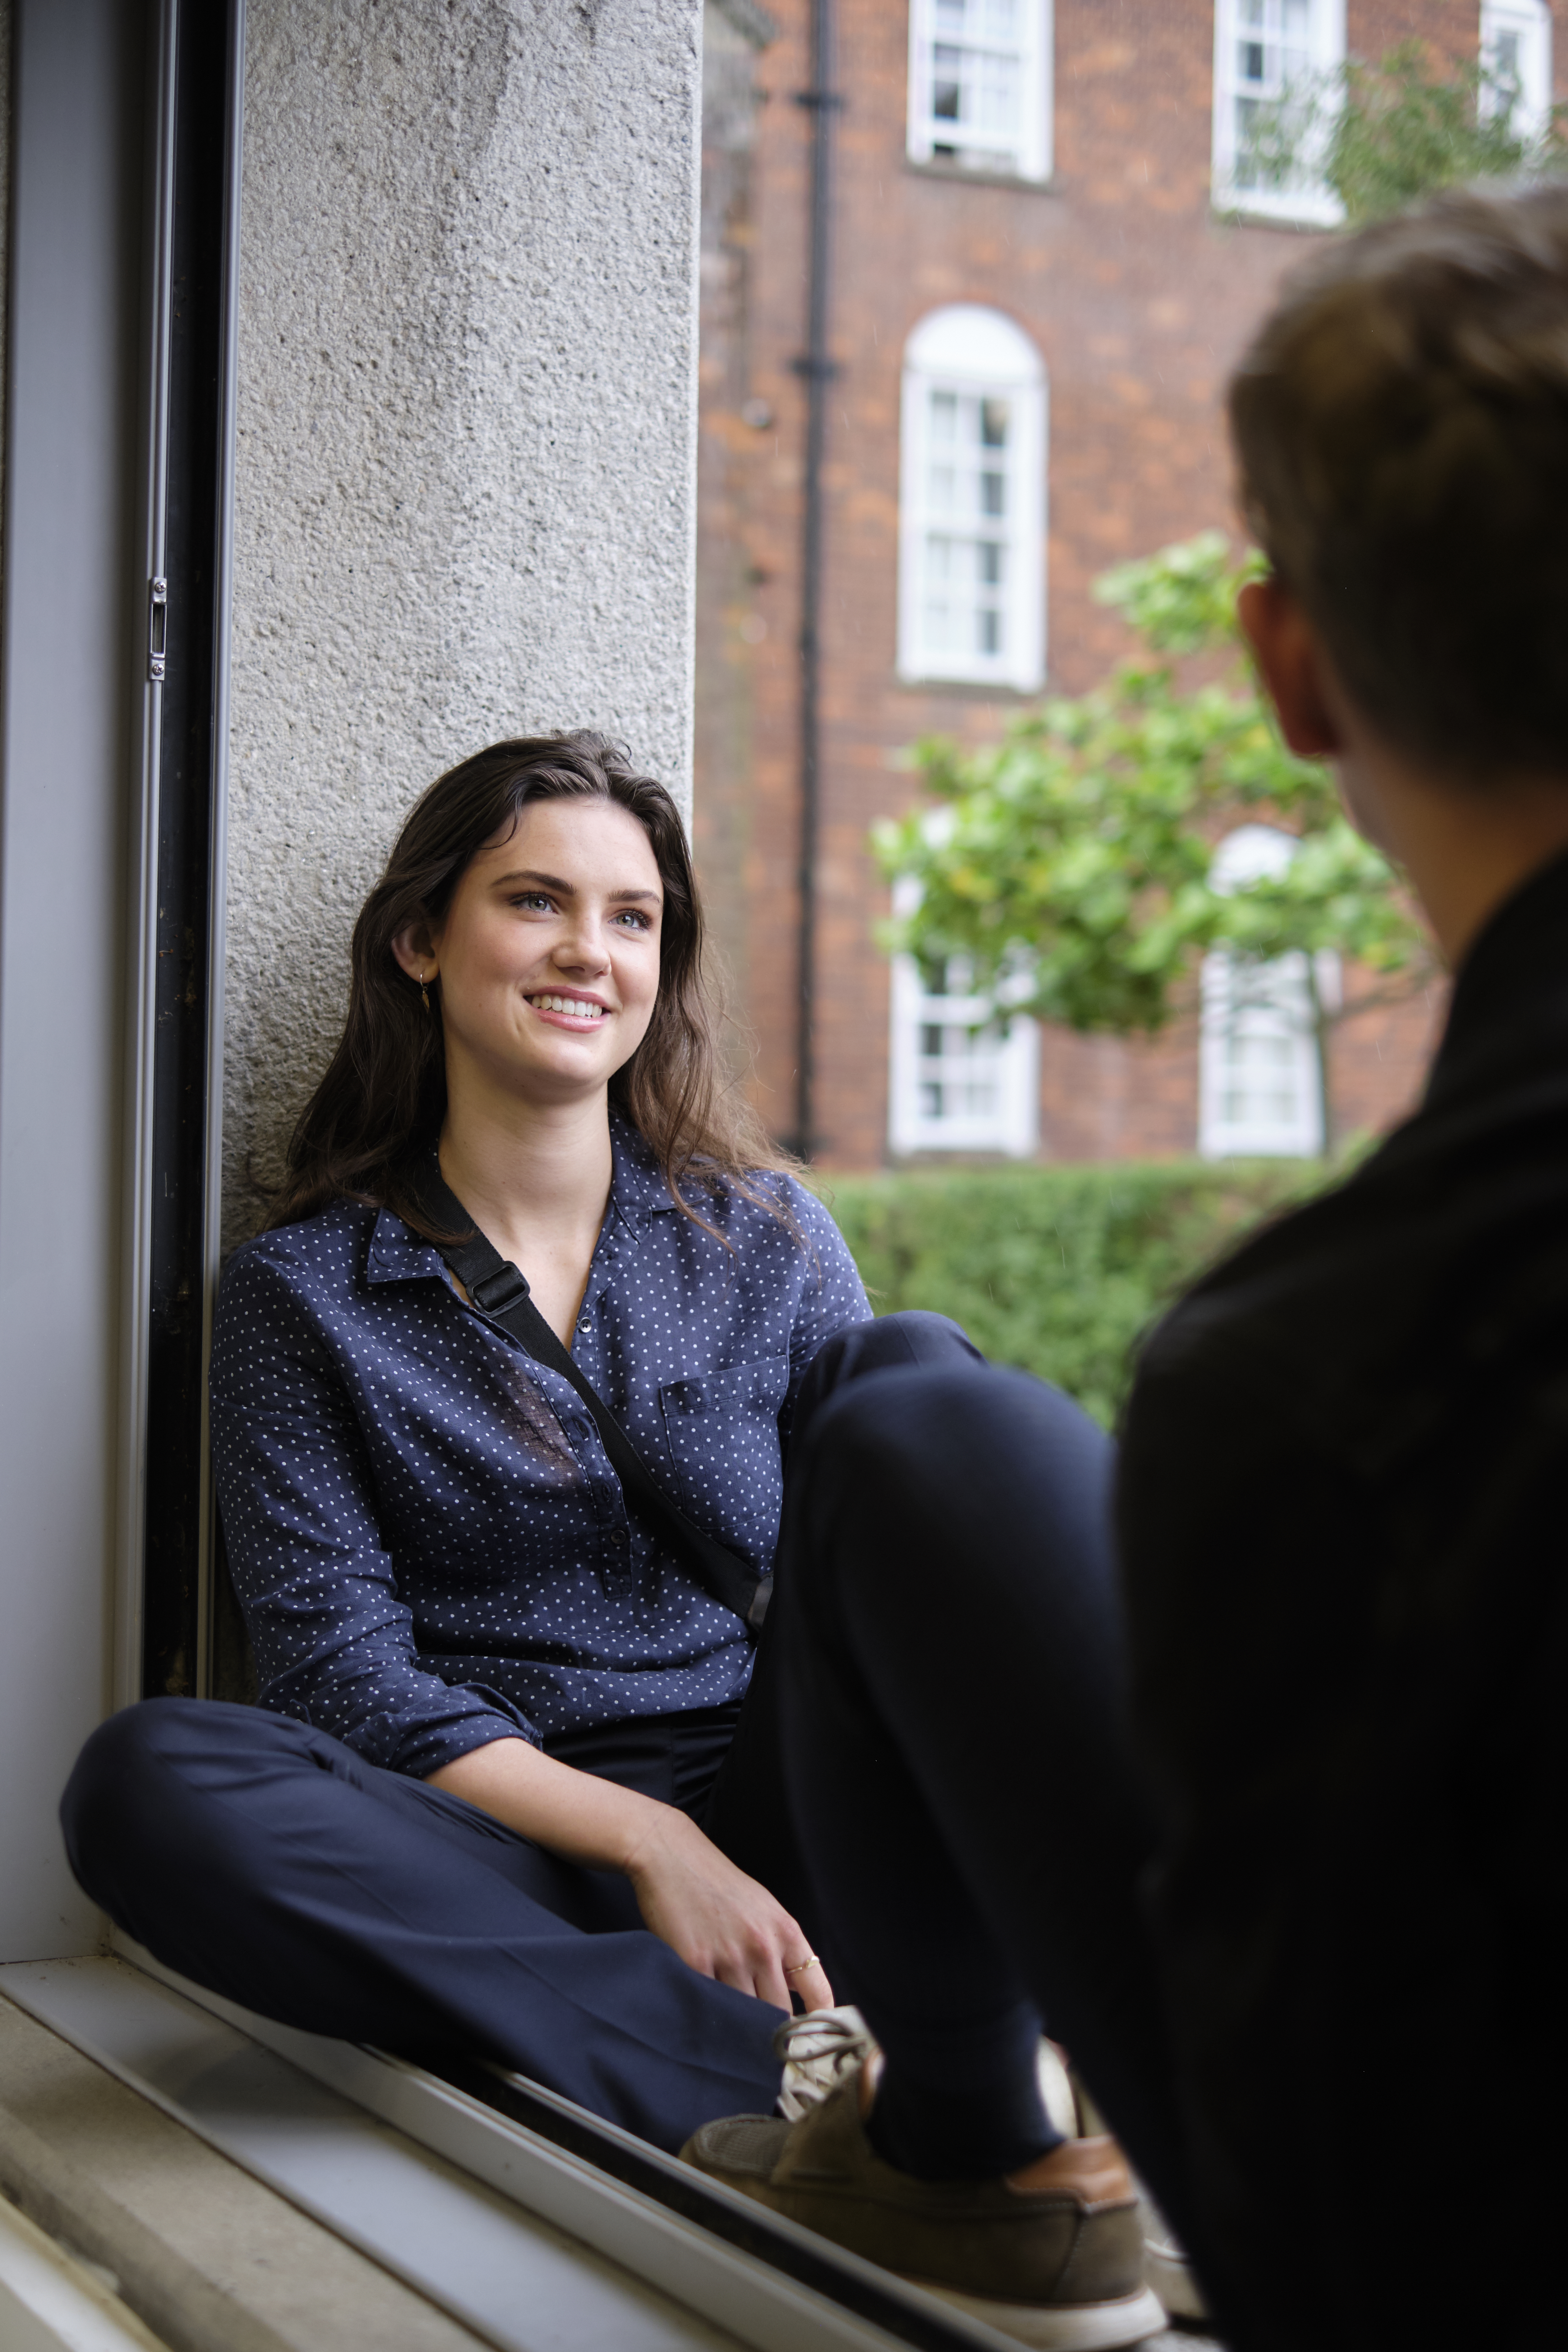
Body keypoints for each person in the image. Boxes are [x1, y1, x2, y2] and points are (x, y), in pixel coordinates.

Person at [682, 181, 1568, 2352]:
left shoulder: (1314, 1375)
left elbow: (1353, 2242)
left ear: (1287, 668)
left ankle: (953, 2153)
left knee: (918, 1447)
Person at [61, 733, 910, 2149]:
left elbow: (883, 1579)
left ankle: (698, 2025)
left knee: (930, 1390)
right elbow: (337, 1673)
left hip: (785, 1778)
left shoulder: (767, 1235)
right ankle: (805, 2093)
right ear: (417, 941)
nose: (590, 951)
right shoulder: (302, 1296)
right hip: (497, 1834)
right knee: (149, 1787)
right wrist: (651, 1841)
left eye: (631, 919)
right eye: (535, 902)